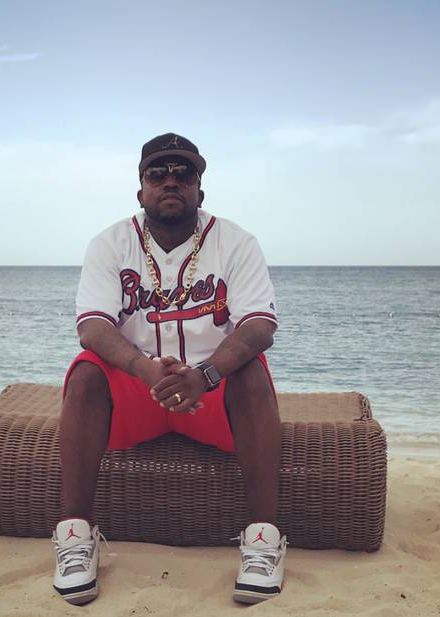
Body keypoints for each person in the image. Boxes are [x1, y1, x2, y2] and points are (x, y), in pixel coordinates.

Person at [52, 133, 285, 605]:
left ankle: (263, 540)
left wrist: (205, 375)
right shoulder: (111, 243)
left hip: (210, 394)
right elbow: (92, 329)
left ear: (200, 189)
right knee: (85, 374)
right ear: (140, 191)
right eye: (157, 173)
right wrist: (145, 370)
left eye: (184, 174)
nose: (171, 181)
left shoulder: (236, 242)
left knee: (253, 371)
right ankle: (74, 536)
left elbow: (259, 326)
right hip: (139, 393)